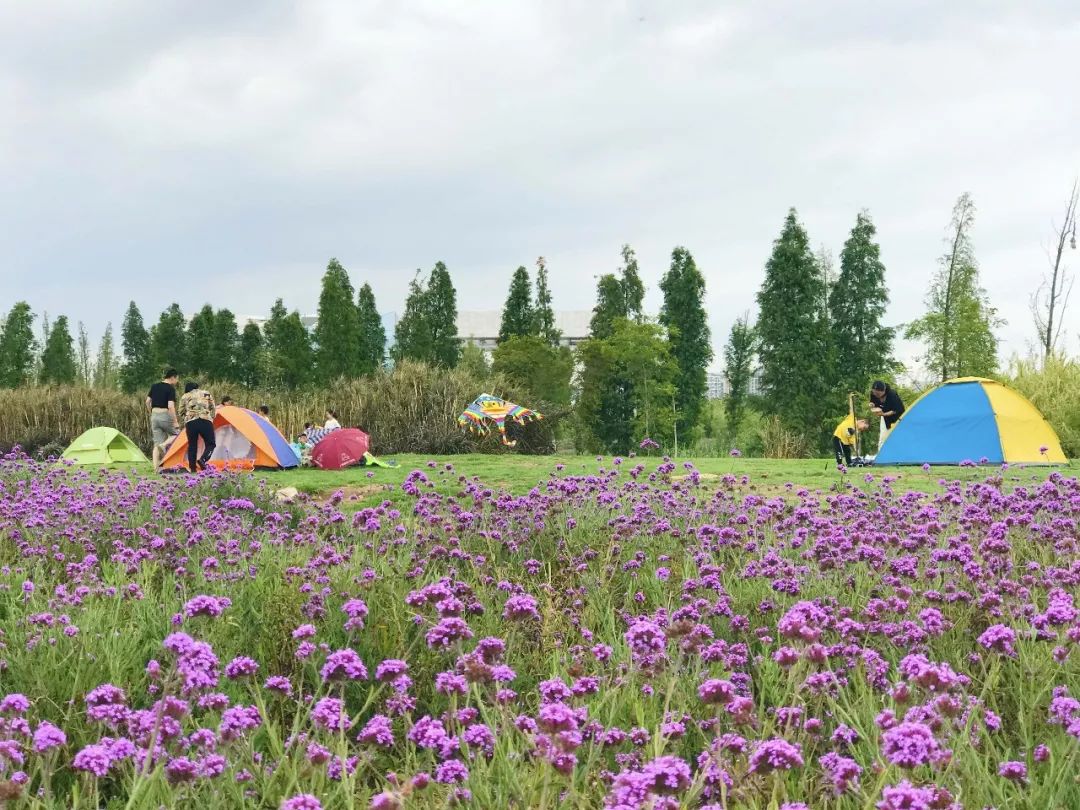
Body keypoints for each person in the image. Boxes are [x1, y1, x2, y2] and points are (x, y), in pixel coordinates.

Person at [178, 381, 217, 473]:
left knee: (192, 445)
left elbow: (180, 411)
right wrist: (211, 417)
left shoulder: (185, 396)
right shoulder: (206, 394)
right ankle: (203, 459)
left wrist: (186, 417)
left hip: (191, 422)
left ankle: (192, 469)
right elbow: (213, 407)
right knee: (211, 443)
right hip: (205, 420)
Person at [146, 368, 180, 470]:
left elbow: (147, 401)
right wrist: (175, 421)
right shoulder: (170, 388)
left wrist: (151, 412)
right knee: (176, 434)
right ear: (172, 377)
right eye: (177, 378)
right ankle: (164, 445)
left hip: (154, 415)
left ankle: (155, 469)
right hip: (165, 414)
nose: (177, 381)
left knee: (157, 443)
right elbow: (170, 406)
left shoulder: (154, 386)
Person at [870, 380, 906, 450]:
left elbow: (896, 410)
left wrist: (883, 414)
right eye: (874, 392)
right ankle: (881, 455)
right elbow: (872, 402)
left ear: (883, 391)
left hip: (898, 418)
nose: (876, 395)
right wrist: (871, 405)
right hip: (884, 417)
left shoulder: (892, 394)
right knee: (882, 438)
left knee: (896, 438)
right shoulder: (873, 393)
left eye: (878, 394)